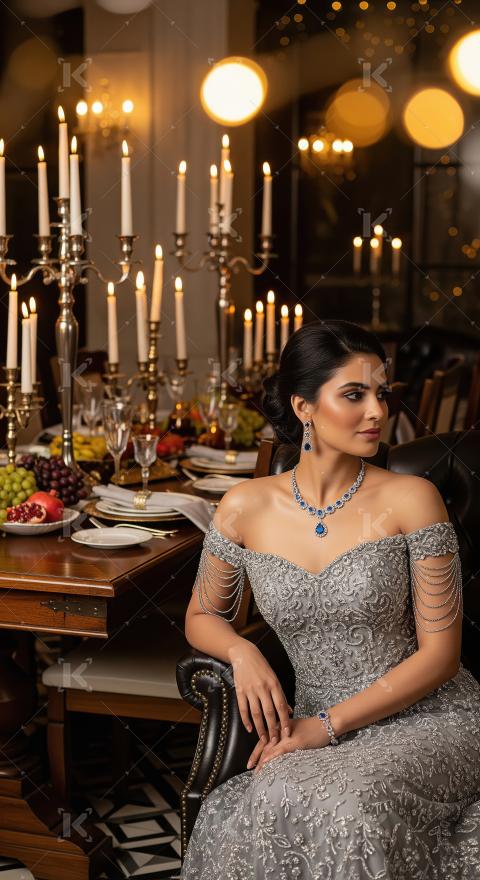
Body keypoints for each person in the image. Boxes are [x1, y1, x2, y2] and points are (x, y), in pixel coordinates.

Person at [181, 319, 480, 879]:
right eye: (354, 395)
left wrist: (326, 727)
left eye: (381, 394)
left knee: (352, 809)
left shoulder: (414, 499)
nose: (376, 412)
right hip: (310, 720)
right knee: (272, 796)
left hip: (430, 718)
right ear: (304, 407)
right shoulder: (245, 506)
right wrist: (243, 652)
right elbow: (201, 615)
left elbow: (442, 657)